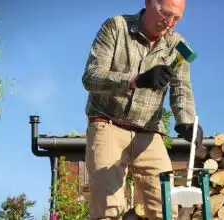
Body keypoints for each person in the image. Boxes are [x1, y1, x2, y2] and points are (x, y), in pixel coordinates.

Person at [82, 0, 203, 219]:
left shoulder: (178, 45)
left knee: (166, 208)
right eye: (166, 15)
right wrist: (137, 80)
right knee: (108, 209)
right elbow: (91, 78)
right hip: (108, 123)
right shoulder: (116, 27)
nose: (170, 24)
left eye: (177, 18)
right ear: (148, 3)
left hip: (149, 132)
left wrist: (185, 121)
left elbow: (181, 89)